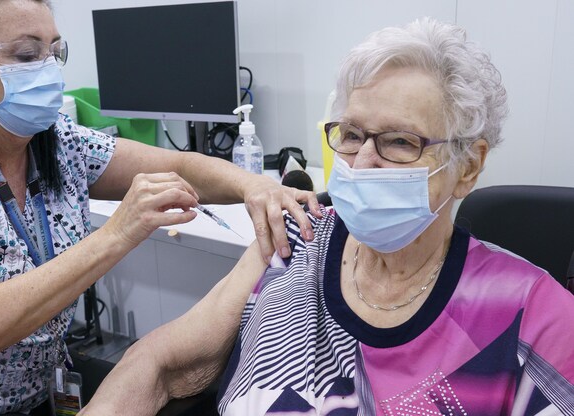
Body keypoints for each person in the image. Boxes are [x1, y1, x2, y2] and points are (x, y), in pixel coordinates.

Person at [0, 0, 320, 414]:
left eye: (54, 52)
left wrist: (255, 186)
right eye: (27, 55)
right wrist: (118, 233)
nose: (48, 69)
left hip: (36, 392)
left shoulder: (52, 141)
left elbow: (179, 165)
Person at [82, 17, 574, 415]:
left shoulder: (534, 314)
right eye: (353, 134)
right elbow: (160, 361)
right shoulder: (294, 239)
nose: (360, 163)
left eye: (400, 142)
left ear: (467, 166)